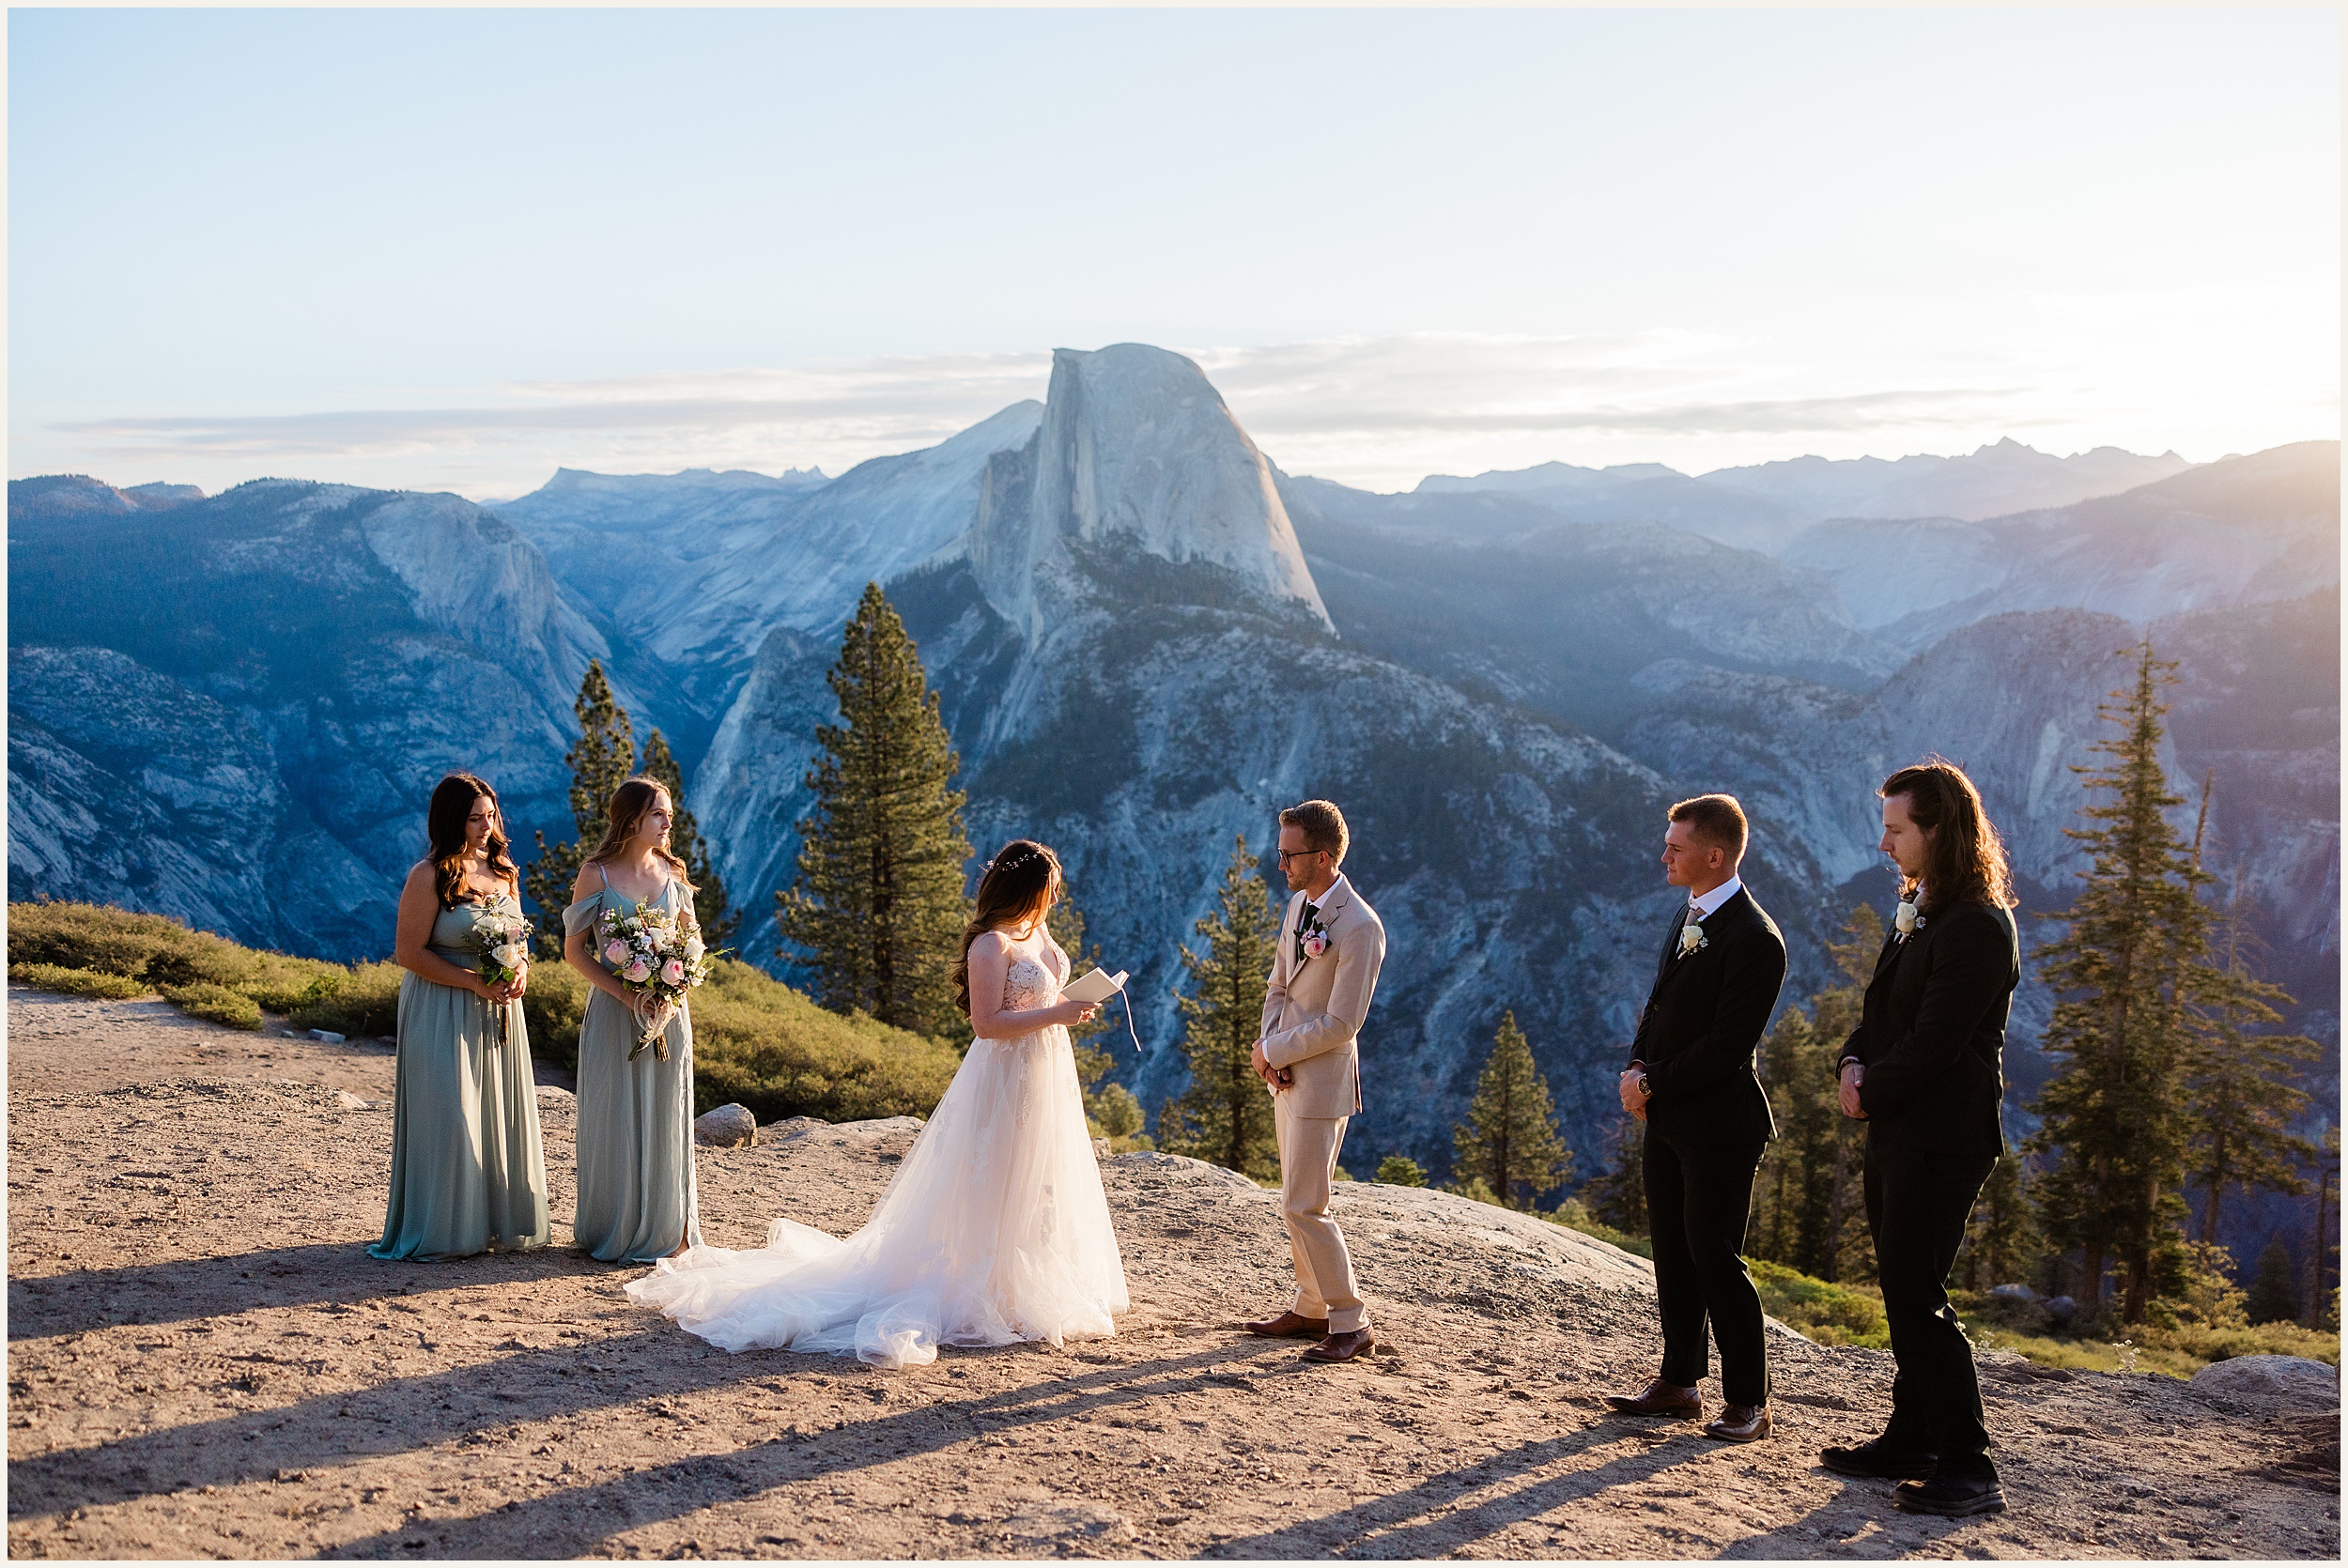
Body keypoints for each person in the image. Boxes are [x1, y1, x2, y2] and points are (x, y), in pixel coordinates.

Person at [625, 838, 1129, 1368]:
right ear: (1024, 889)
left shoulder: (1037, 931)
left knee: (1037, 1175)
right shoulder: (991, 947)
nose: (1054, 900)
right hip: (1003, 1075)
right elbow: (987, 1025)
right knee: (995, 1173)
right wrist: (1057, 1015)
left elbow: (1040, 994)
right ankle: (984, 1283)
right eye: (1048, 890)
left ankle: (1021, 1280)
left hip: (1046, 1070)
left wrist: (1069, 1003)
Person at [1824, 761, 2019, 1517]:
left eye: (1897, 829)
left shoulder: (1976, 924)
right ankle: (1912, 1436)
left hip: (1944, 1138)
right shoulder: (1924, 906)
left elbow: (1938, 1043)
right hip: (1903, 1130)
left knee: (1917, 1295)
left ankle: (1971, 1467)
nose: (1884, 844)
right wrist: (1850, 1058)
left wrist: (1869, 1089)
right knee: (1904, 1288)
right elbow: (1883, 1014)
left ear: (1939, 832)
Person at [1606, 793, 1785, 1441]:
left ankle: (1749, 1400)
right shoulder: (1690, 915)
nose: (1664, 855)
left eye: (1676, 847)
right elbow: (1657, 1009)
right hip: (1669, 1118)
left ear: (1714, 855)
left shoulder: (1756, 937)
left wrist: (1650, 1080)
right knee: (1672, 1254)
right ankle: (1679, 1381)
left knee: (1716, 1256)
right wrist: (1635, 1065)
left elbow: (1727, 1047)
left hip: (1721, 1127)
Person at [371, 773, 550, 1261]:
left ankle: (494, 1223)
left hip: (499, 1014)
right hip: (440, 1007)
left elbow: (519, 937)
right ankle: (446, 1230)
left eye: (491, 816)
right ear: (452, 819)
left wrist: (522, 972)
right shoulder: (427, 875)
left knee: (496, 1115)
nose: (487, 826)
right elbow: (407, 953)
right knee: (450, 1115)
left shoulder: (505, 870)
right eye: (476, 818)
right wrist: (473, 981)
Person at [1244, 799, 1388, 1364]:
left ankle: (1350, 1319)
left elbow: (1342, 1022)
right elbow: (1278, 986)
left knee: (1308, 1204)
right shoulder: (1298, 908)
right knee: (1293, 1199)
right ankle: (1310, 1306)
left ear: (1323, 856)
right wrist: (1267, 1050)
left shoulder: (1359, 926)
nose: (1280, 863)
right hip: (1286, 1075)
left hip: (1323, 1081)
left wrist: (1277, 1049)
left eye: (1288, 854)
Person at [564, 776, 706, 1264]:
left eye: (668, 813)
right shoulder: (596, 875)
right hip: (613, 1012)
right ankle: (615, 1227)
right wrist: (628, 995)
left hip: (669, 1016)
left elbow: (693, 944)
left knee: (669, 1115)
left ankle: (670, 1229)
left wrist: (674, 987)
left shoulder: (672, 871)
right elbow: (574, 952)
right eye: (658, 814)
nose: (669, 822)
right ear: (631, 820)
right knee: (614, 1115)